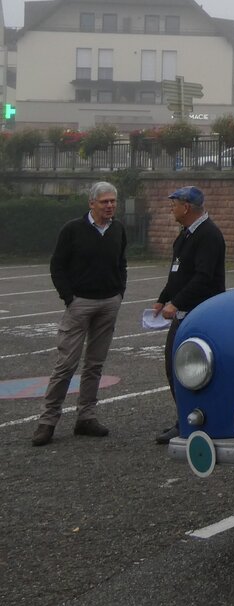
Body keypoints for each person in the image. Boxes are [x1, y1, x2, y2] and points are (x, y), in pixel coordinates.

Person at [32, 182, 127, 446]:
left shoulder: (118, 229)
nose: (109, 206)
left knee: (94, 365)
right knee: (66, 365)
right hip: (80, 304)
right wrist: (70, 298)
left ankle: (86, 416)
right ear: (91, 203)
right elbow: (57, 265)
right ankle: (48, 421)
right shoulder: (72, 230)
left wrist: (120, 293)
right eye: (104, 202)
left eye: (113, 202)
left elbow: (121, 262)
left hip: (109, 302)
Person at [152, 186, 226, 444]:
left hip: (201, 313)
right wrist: (163, 299)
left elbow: (203, 277)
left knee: (193, 370)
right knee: (174, 368)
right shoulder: (185, 235)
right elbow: (177, 273)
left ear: (187, 207)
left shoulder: (208, 235)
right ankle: (186, 418)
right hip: (183, 311)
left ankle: (193, 420)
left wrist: (177, 302)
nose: (171, 208)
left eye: (174, 203)